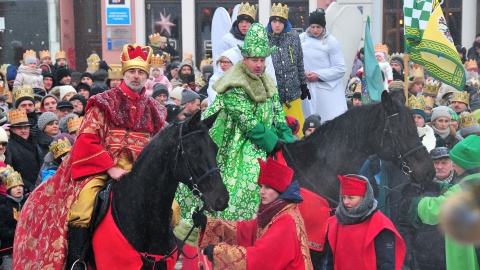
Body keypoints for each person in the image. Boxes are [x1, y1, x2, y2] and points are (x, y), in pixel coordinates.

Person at [11, 43, 167, 269]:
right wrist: (110, 168)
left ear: (146, 76)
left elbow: (157, 145)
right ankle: (78, 260)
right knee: (82, 207)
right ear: (124, 73)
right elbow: (87, 139)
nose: (136, 76)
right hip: (105, 168)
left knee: (172, 210)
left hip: (141, 172)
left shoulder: (154, 108)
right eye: (132, 71)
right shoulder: (105, 101)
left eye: (141, 72)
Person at [178, 23, 293, 222]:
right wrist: (275, 143)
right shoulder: (234, 84)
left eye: (262, 60)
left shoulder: (267, 80)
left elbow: (277, 112)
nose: (259, 64)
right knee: (248, 183)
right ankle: (232, 228)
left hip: (270, 141)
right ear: (244, 59)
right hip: (240, 146)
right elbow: (247, 122)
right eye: (254, 60)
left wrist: (288, 139)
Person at [194, 157, 313, 269]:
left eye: (267, 187)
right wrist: (209, 224)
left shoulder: (287, 220)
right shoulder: (275, 212)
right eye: (261, 186)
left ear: (280, 190)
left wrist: (219, 253)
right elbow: (244, 231)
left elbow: (260, 258)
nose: (261, 192)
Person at [408, 135, 480, 270]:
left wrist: (415, 203)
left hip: (470, 254)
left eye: (454, 161)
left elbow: (433, 211)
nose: (452, 165)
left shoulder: (465, 189)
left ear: (466, 164)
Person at [325, 174, 406, 270]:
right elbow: (330, 261)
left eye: (351, 198)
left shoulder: (380, 225)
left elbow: (386, 263)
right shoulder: (337, 221)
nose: (345, 202)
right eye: (343, 197)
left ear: (364, 198)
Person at [266, 3, 309, 138]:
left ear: (285, 23)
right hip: (273, 95)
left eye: (280, 22)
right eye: (274, 21)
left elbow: (299, 62)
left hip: (293, 92)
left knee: (298, 130)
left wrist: (303, 84)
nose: (277, 25)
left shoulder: (294, 37)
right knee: (277, 132)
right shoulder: (264, 38)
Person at [299, 10, 347, 122]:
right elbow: (295, 60)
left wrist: (318, 75)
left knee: (329, 121)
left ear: (323, 27)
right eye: (313, 26)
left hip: (326, 90)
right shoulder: (301, 39)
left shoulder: (331, 42)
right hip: (306, 89)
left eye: (318, 27)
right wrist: (301, 72)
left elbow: (340, 68)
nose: (315, 30)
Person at [5, 109, 41, 193]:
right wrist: (28, 187)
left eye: (26, 127)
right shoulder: (8, 147)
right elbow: (10, 171)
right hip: (21, 190)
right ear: (12, 130)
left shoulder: (35, 143)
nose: (23, 131)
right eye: (19, 128)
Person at [0, 168, 28, 270]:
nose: (18, 188)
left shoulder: (29, 203)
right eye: (14, 187)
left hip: (27, 248)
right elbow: (2, 230)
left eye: (20, 185)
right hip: (9, 250)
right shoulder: (3, 207)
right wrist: (19, 232)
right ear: (8, 189)